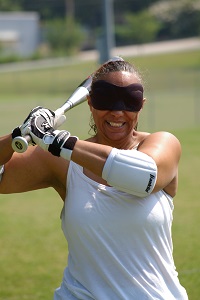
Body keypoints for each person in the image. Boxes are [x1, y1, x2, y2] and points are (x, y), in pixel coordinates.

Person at [0, 58, 188, 300]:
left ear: (141, 105)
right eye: (106, 99)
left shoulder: (163, 144)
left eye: (129, 101)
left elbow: (144, 177)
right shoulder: (62, 158)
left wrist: (54, 140)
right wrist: (19, 133)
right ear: (90, 102)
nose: (118, 111)